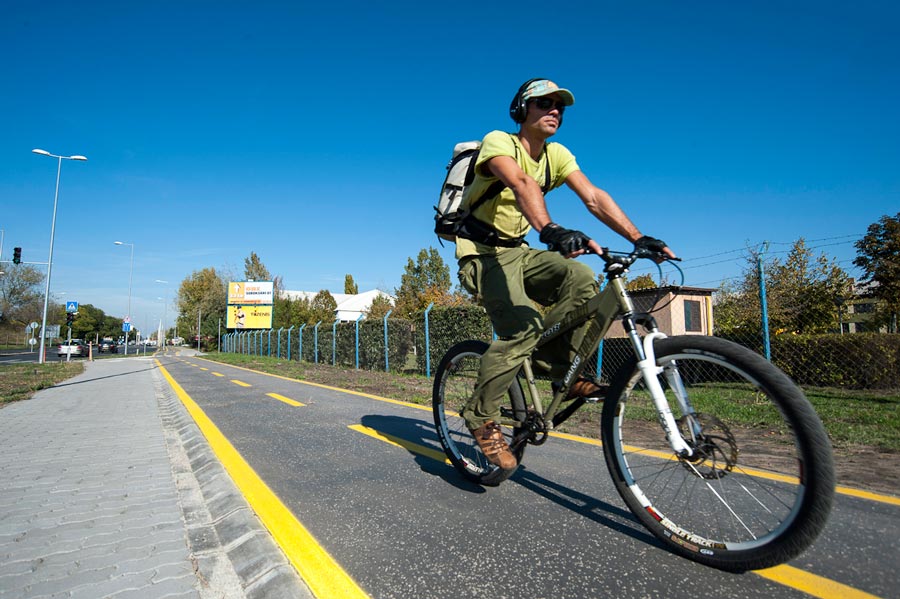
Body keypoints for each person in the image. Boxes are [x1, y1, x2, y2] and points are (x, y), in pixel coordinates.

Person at [454, 78, 676, 469]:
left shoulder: (556, 155)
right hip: (483, 254)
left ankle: (561, 372)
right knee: (521, 329)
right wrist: (550, 229)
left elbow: (593, 197)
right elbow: (520, 182)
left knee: (583, 279)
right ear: (521, 109)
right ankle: (480, 416)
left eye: (559, 105)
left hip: (519, 251)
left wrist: (639, 237)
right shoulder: (499, 142)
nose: (554, 110)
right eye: (543, 103)